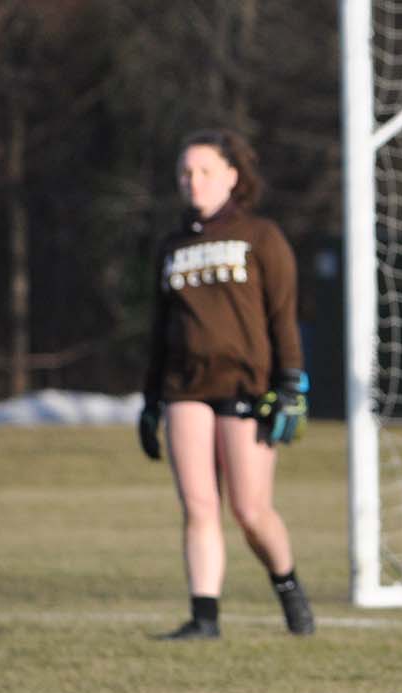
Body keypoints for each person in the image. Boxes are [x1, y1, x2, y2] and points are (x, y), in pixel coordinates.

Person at [138, 129, 314, 641]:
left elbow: (283, 317)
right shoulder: (172, 246)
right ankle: (204, 617)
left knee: (250, 510)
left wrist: (289, 384)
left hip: (247, 386)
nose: (194, 182)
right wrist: (151, 400)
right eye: (185, 173)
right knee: (198, 505)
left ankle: (287, 585)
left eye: (205, 171)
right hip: (184, 387)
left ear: (232, 177)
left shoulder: (261, 237)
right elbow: (159, 329)